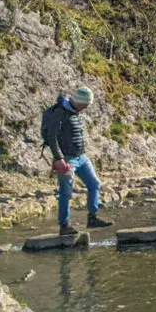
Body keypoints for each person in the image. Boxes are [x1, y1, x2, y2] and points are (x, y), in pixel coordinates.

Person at [44, 86, 113, 235]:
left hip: (82, 157)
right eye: (86, 104)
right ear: (80, 102)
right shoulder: (59, 112)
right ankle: (64, 226)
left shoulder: (75, 112)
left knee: (94, 184)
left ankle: (92, 218)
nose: (87, 107)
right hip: (67, 159)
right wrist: (59, 159)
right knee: (66, 192)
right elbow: (52, 137)